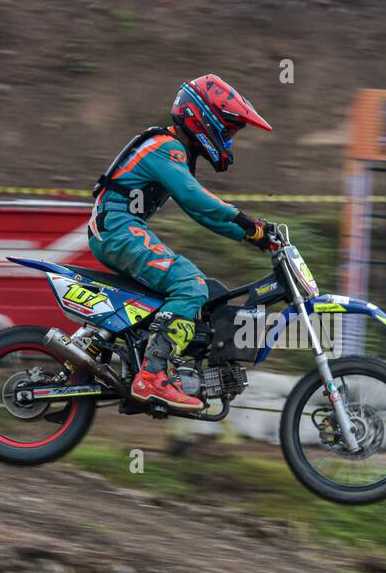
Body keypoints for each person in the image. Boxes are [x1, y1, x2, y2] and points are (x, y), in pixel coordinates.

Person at [87, 74, 276, 411]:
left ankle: (155, 363)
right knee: (190, 285)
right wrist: (245, 220)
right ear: (204, 118)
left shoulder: (177, 152)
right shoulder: (166, 146)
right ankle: (153, 375)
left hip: (120, 227)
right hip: (116, 227)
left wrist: (250, 236)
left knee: (202, 286)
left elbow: (201, 214)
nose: (229, 141)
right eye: (229, 132)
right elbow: (194, 197)